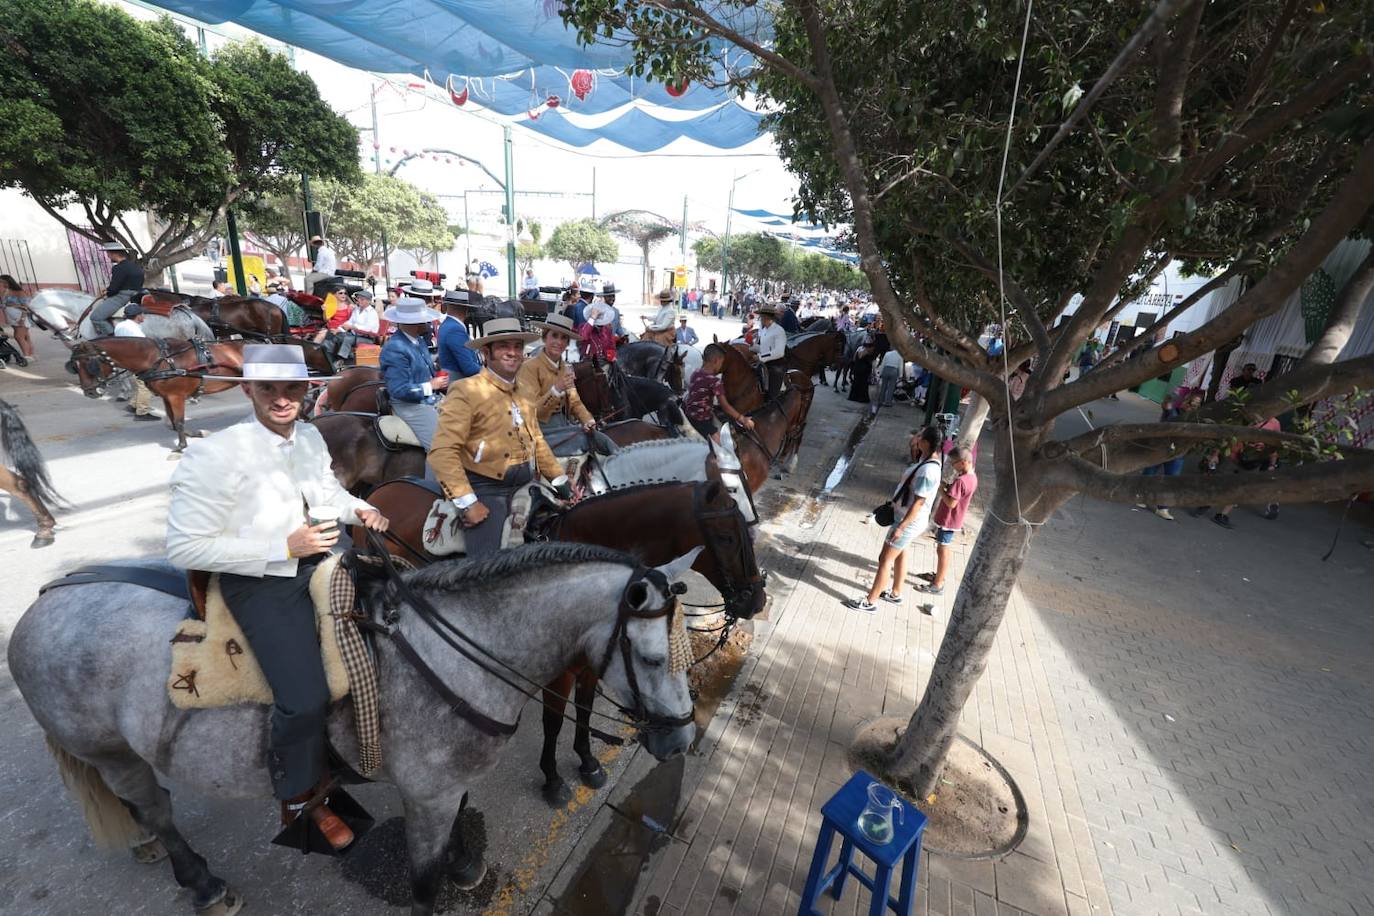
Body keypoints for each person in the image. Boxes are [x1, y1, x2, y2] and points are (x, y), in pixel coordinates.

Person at [166, 344, 389, 852]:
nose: (282, 399)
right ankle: (298, 796)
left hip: (322, 556)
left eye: (292, 388)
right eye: (269, 388)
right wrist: (280, 547)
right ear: (248, 389)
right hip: (260, 578)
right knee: (304, 697)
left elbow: (328, 497)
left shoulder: (308, 435)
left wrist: (362, 511)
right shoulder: (214, 453)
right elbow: (183, 545)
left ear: (307, 390)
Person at [430, 318, 572, 557]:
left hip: (526, 484)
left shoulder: (525, 391)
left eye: (517, 346)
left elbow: (536, 439)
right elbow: (442, 452)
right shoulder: (466, 390)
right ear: (486, 353)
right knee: (487, 569)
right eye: (504, 346)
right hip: (486, 489)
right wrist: (469, 503)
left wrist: (560, 480)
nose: (513, 352)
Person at [845, 427, 943, 611]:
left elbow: (919, 503)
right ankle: (895, 593)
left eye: (920, 436)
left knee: (885, 559)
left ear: (927, 443)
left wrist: (901, 527)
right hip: (906, 518)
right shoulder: (927, 461)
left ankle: (870, 601)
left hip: (907, 521)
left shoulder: (928, 470)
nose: (916, 438)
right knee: (901, 553)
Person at [519, 312, 617, 455]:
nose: (559, 342)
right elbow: (532, 412)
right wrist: (556, 390)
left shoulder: (565, 368)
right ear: (544, 337)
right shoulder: (529, 368)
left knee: (602, 440)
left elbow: (575, 402)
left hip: (564, 426)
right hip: (540, 431)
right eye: (554, 336)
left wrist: (587, 420)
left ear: (566, 344)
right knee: (587, 442)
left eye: (564, 338)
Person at [379, 297, 447, 459]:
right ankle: (433, 484)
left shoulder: (418, 341)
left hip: (429, 398)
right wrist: (431, 385)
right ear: (415, 324)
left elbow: (425, 370)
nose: (428, 323)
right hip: (410, 405)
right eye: (424, 321)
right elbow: (398, 389)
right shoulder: (395, 348)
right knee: (442, 449)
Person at [1191, 416, 1282, 528]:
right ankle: (1206, 504)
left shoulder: (1274, 423)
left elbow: (1274, 446)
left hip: (1252, 461)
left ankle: (1223, 515)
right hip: (1232, 456)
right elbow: (1228, 436)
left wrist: (1272, 464)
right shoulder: (1248, 415)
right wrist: (1215, 454)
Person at [917, 446, 978, 596]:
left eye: (953, 463)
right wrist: (948, 487)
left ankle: (938, 583)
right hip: (954, 520)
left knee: (942, 549)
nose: (952, 465)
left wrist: (941, 490)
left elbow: (951, 503)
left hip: (948, 520)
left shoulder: (961, 481)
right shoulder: (972, 477)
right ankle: (939, 575)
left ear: (963, 462)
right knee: (942, 547)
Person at [1135, 391, 1202, 520]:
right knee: (1149, 473)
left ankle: (1163, 508)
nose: (1193, 405)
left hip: (1178, 453)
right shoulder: (1173, 411)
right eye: (1191, 402)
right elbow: (1166, 406)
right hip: (1160, 449)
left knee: (1171, 480)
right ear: (1185, 401)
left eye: (1197, 404)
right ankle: (1142, 497)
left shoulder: (1196, 418)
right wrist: (1170, 399)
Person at [684, 346, 754, 445]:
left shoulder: (696, 373)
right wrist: (742, 419)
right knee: (724, 446)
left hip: (689, 414)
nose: (721, 366)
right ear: (717, 361)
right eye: (721, 363)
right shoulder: (714, 381)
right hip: (701, 420)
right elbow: (725, 406)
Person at [113, 304, 159, 422]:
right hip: (137, 360)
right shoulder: (133, 328)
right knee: (146, 384)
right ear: (138, 316)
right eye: (142, 314)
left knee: (140, 383)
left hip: (125, 358)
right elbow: (143, 346)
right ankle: (142, 412)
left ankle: (133, 405)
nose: (144, 316)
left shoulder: (120, 325)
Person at [90, 241, 145, 336]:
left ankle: (113, 338)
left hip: (122, 297)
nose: (108, 256)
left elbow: (114, 289)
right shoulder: (135, 266)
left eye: (108, 254)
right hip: (138, 294)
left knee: (96, 317)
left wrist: (108, 292)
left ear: (114, 254)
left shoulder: (119, 268)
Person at [436, 290, 482, 379]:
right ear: (466, 310)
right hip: (458, 382)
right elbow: (469, 368)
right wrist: (489, 372)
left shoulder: (447, 324)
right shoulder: (455, 329)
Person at [753, 304, 788, 399]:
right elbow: (763, 347)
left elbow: (779, 352)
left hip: (775, 364)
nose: (760, 319)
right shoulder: (764, 330)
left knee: (772, 394)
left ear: (766, 317)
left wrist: (761, 357)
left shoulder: (779, 331)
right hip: (762, 363)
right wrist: (751, 347)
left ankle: (773, 405)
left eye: (761, 317)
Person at [0, 275, 36, 361]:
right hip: (12, 318)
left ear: (7, 282)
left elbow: (26, 306)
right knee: (25, 336)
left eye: (1, 281)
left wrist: (22, 320)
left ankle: (27, 356)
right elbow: (4, 305)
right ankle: (30, 355)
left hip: (21, 318)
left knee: (18, 336)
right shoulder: (5, 292)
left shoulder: (19, 291)